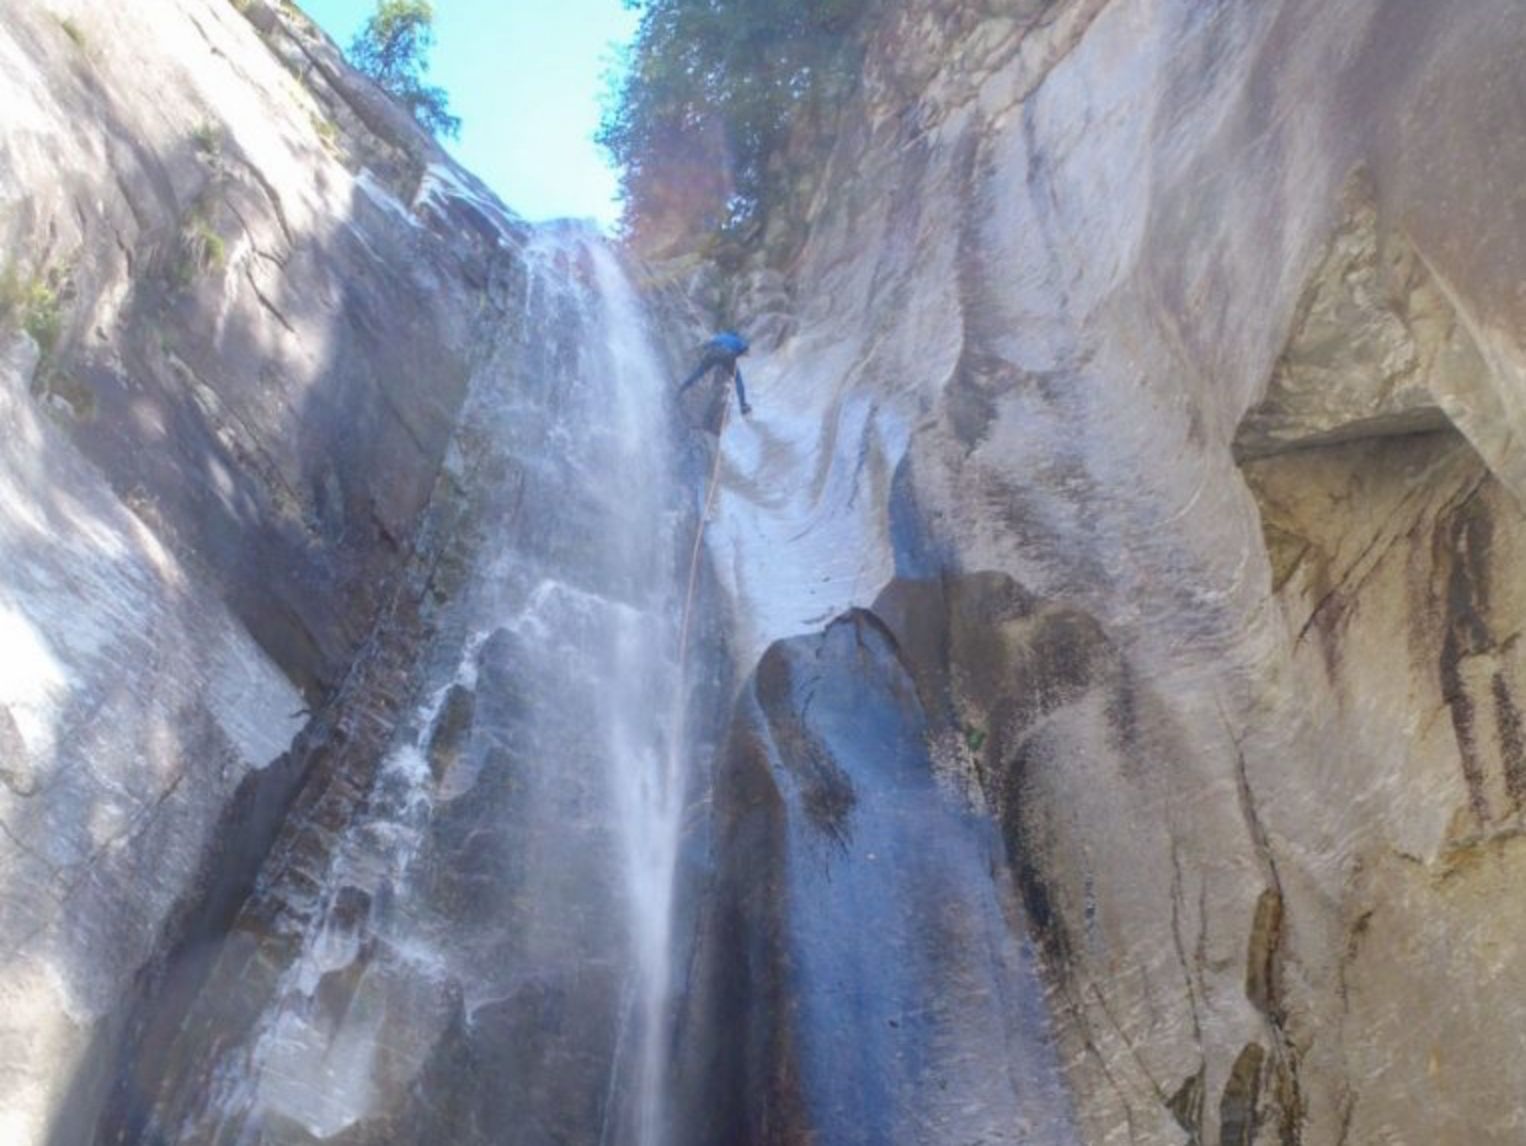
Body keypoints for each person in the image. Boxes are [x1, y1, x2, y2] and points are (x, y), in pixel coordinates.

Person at [678, 329, 752, 415]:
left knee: (698, 374)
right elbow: (746, 349)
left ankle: (681, 390)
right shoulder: (738, 340)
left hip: (713, 353)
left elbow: (705, 345)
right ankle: (743, 406)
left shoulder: (720, 336)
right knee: (738, 380)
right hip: (728, 355)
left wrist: (693, 350)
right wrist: (739, 352)